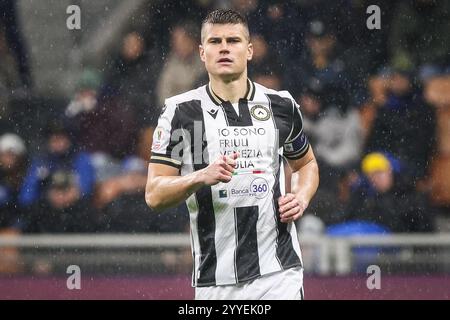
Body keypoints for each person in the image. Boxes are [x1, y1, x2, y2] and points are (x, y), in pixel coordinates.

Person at [145, 9, 319, 300]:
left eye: (233, 40)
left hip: (278, 272)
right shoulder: (180, 112)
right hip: (215, 280)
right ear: (202, 52)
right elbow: (154, 193)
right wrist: (201, 176)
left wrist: (301, 196)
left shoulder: (281, 105)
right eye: (215, 42)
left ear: (249, 50)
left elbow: (306, 163)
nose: (224, 47)